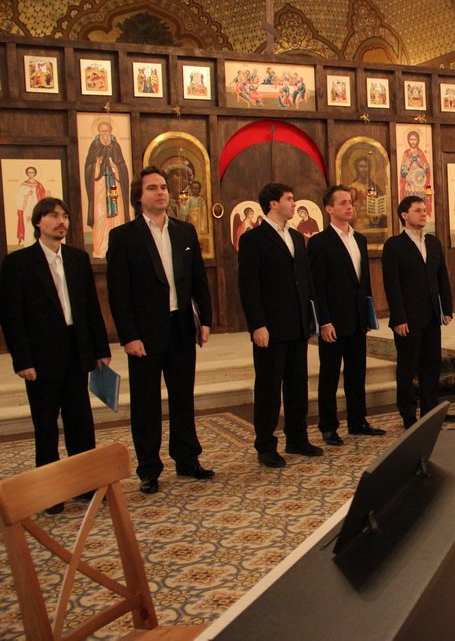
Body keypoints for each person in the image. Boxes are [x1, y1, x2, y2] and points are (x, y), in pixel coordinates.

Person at [106, 167, 214, 494]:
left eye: (164, 187)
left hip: (181, 326)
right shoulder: (124, 236)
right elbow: (118, 291)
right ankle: (149, 468)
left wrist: (205, 320)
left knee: (183, 397)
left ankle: (187, 459)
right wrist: (128, 336)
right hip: (145, 333)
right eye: (153, 188)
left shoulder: (184, 231)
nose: (161, 193)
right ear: (139, 196)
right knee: (146, 402)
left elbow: (198, 280)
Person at [0, 198, 111, 514]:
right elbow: (12, 316)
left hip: (76, 349)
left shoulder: (77, 259)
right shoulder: (18, 263)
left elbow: (91, 307)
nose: (61, 221)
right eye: (53, 216)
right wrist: (22, 360)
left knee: (80, 421)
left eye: (64, 216)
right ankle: (49, 492)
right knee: (46, 424)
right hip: (41, 354)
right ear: (38, 222)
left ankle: (84, 485)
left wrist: (100, 349)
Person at [238, 183, 321, 467]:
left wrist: (311, 318)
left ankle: (297, 438)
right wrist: (257, 325)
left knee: (298, 385)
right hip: (270, 328)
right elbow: (249, 287)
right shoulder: (254, 239)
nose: (294, 202)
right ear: (273, 204)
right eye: (289, 198)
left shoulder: (297, 237)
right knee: (269, 388)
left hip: (297, 324)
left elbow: (306, 281)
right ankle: (265, 445)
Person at [309, 186, 384, 444]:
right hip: (334, 321)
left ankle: (357, 420)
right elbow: (317, 287)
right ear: (329, 209)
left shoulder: (360, 239)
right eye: (342, 203)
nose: (349, 207)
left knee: (356, 372)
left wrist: (368, 313)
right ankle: (328, 426)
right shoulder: (319, 242)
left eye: (350, 202)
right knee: (330, 374)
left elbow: (363, 283)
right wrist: (325, 321)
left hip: (357, 318)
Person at [382, 196, 455, 428]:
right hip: (408, 318)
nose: (424, 214)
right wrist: (399, 317)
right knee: (407, 367)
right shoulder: (394, 245)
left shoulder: (433, 242)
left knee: (431, 365)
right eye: (418, 210)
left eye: (425, 210)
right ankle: (407, 413)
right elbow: (392, 285)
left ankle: (430, 410)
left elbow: (442, 276)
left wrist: (446, 307)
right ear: (404, 215)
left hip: (432, 314)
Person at [83, 120, 130, 258]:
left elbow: (122, 165)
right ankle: (101, 249)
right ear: (99, 132)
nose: (104, 134)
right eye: (102, 131)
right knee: (100, 214)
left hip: (115, 183)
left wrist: (115, 166)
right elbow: (88, 166)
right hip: (100, 183)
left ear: (110, 131)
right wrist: (96, 165)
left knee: (118, 214)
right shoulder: (94, 145)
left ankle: (119, 248)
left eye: (106, 131)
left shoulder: (115, 145)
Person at [399, 131, 432, 215]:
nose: (413, 141)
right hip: (409, 184)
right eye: (411, 139)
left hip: (419, 183)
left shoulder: (421, 153)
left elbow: (426, 169)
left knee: (420, 204)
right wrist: (407, 167)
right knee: (410, 205)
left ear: (418, 140)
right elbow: (403, 172)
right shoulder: (405, 154)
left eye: (414, 139)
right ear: (408, 140)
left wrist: (419, 164)